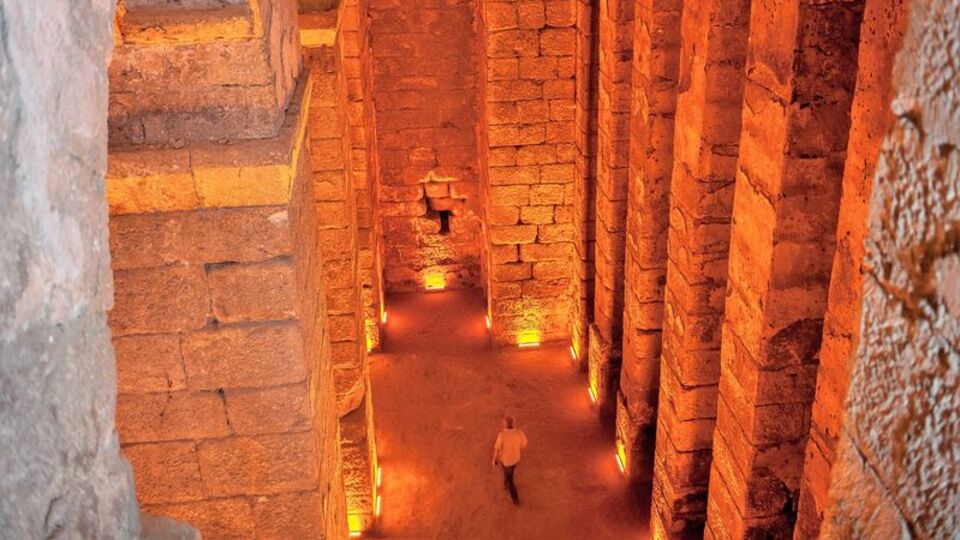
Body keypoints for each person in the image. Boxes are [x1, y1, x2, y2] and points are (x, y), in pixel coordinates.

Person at [492, 415, 528, 505]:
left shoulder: (502, 435)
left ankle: (515, 498)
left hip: (506, 461)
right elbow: (524, 444)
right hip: (516, 458)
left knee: (510, 480)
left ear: (504, 424)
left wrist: (494, 459)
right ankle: (506, 484)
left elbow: (497, 448)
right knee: (510, 472)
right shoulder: (519, 433)